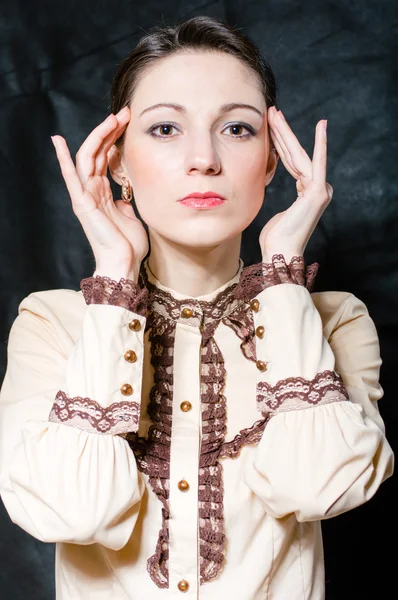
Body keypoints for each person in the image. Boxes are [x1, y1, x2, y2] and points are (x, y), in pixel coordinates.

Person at [0, 14, 394, 600]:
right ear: (117, 163)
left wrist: (283, 267)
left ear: (269, 161)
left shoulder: (335, 321)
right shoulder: (54, 324)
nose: (204, 158)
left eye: (237, 129)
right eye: (165, 129)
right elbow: (72, 512)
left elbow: (318, 488)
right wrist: (115, 277)